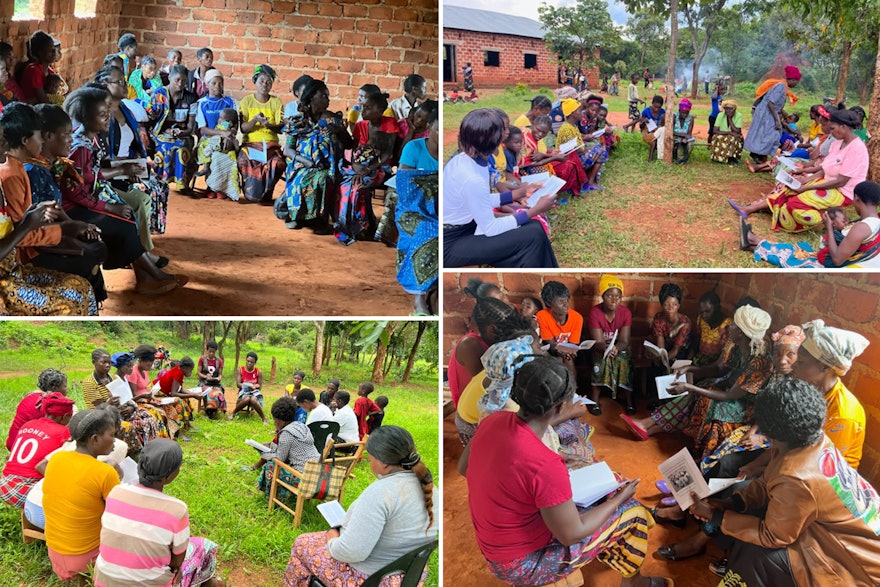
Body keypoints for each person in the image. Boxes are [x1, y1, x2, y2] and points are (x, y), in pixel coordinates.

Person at [459, 357, 670, 587]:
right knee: (633, 512)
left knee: (608, 488)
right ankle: (633, 582)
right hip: (523, 564)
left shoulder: (494, 420)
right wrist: (619, 500)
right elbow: (571, 534)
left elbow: (464, 468)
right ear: (560, 407)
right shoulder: (544, 464)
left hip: (494, 544)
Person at [688, 377, 880, 586]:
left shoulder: (797, 477)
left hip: (853, 564)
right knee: (742, 497)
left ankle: (738, 570)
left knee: (756, 556)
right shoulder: (812, 440)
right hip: (834, 535)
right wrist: (733, 503)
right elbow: (769, 478)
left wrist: (717, 517)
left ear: (771, 433)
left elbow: (772, 536)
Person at [61, 87, 183, 294]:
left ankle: (147, 276)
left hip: (88, 198)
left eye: (106, 112)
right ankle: (149, 276)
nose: (107, 117)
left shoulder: (92, 140)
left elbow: (93, 175)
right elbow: (75, 192)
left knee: (128, 218)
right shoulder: (80, 147)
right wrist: (108, 206)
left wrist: (122, 171)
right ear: (85, 118)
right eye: (101, 114)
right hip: (72, 207)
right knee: (124, 223)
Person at [283, 425, 438, 587]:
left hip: (371, 580)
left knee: (302, 543)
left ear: (383, 463)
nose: (370, 463)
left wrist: (332, 539)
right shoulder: (431, 489)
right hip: (410, 577)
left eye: (370, 459)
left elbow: (351, 552)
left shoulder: (380, 493)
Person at [0, 102, 109, 304]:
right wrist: (65, 230)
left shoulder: (22, 168)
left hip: (33, 244)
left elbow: (38, 215)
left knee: (93, 249)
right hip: (25, 256)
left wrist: (69, 226)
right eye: (39, 135)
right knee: (89, 257)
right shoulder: (12, 175)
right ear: (25, 140)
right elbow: (22, 235)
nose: (42, 140)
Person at [94, 439, 224, 587]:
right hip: (152, 583)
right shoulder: (177, 509)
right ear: (169, 477)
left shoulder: (116, 492)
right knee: (203, 546)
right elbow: (176, 561)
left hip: (104, 580)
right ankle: (211, 583)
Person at [443, 109, 558, 268]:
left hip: (465, 230)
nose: (507, 132)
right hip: (451, 244)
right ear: (494, 140)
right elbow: (490, 228)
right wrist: (535, 210)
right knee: (533, 234)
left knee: (534, 229)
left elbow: (479, 199)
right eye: (504, 129)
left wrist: (519, 193)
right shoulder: (472, 176)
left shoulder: (470, 159)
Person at [738, 107, 869, 233]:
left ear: (844, 127)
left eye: (833, 128)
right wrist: (806, 179)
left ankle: (821, 220)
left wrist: (806, 187)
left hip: (842, 192)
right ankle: (750, 208)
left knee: (795, 204)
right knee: (789, 187)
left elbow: (841, 181)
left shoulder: (856, 149)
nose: (831, 132)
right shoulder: (837, 143)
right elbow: (825, 168)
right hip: (827, 181)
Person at [94, 65, 168, 253]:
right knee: (144, 193)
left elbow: (135, 143)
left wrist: (138, 163)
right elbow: (101, 158)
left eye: (124, 81)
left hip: (125, 166)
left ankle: (144, 242)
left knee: (159, 186)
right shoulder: (102, 116)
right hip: (112, 170)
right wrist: (125, 168)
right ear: (105, 85)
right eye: (118, 82)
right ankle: (141, 250)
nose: (124, 85)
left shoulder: (125, 109)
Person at [42, 408, 120, 581]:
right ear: (95, 439)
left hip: (54, 551)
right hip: (84, 557)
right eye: (112, 434)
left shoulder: (56, 459)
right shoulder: (105, 472)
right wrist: (119, 475)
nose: (114, 440)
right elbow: (118, 517)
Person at [750, 180, 880, 267]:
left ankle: (755, 243)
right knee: (798, 250)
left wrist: (829, 227)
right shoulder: (874, 222)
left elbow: (837, 259)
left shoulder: (862, 227)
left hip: (839, 266)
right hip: (849, 261)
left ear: (856, 198)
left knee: (794, 256)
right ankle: (755, 242)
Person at [280, 79, 353, 230]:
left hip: (330, 167)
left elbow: (349, 144)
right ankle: (297, 217)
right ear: (312, 96)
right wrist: (305, 161)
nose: (328, 99)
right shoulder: (298, 122)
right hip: (302, 164)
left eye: (328, 96)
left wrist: (340, 131)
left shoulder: (333, 121)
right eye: (324, 96)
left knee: (323, 178)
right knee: (302, 178)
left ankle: (318, 220)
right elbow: (288, 150)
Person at [395, 100, 439, 315]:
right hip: (413, 210)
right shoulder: (413, 148)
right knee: (426, 232)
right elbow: (405, 188)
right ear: (430, 128)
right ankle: (419, 297)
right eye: (438, 129)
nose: (441, 135)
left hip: (443, 210)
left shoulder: (454, 157)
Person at [81, 348, 163, 455]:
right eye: (103, 362)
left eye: (109, 362)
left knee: (148, 417)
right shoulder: (89, 383)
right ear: (94, 362)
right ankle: (137, 453)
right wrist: (109, 403)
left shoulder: (112, 378)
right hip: (102, 417)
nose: (107, 365)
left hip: (119, 411)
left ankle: (151, 447)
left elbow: (125, 398)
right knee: (133, 426)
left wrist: (131, 407)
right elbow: (96, 409)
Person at [0, 392, 74, 508]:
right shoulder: (63, 432)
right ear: (64, 417)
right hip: (26, 490)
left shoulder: (28, 424)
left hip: (5, 484)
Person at [448, 296, 518, 407]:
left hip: (487, 401)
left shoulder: (487, 341)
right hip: (470, 411)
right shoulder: (470, 345)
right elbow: (487, 385)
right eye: (506, 331)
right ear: (492, 329)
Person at [238, 64, 286, 204]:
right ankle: (251, 192)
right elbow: (243, 129)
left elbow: (280, 127)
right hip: (251, 144)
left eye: (268, 82)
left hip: (271, 145)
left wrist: (269, 125)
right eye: (261, 81)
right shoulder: (247, 101)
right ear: (255, 82)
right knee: (243, 160)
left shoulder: (276, 102)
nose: (265, 85)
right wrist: (255, 120)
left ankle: (267, 192)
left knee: (277, 163)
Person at [255, 396, 320, 500]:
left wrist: (263, 452)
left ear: (280, 420)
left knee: (271, 466)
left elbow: (280, 459)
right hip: (318, 474)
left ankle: (272, 497)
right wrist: (271, 446)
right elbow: (292, 447)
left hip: (304, 477)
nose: (274, 423)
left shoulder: (286, 433)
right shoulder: (302, 426)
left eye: (275, 420)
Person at [587, 274, 634, 414]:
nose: (614, 300)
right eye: (609, 296)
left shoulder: (625, 313)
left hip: (618, 347)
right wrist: (607, 348)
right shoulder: (595, 312)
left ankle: (629, 400)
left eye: (618, 296)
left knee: (624, 359)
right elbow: (598, 341)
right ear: (602, 296)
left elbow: (625, 340)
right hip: (601, 347)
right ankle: (594, 400)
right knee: (601, 360)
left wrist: (616, 348)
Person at [148, 64, 199, 192]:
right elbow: (151, 120)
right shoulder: (159, 95)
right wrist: (164, 131)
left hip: (182, 135)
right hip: (159, 133)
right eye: (177, 80)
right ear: (170, 78)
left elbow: (190, 127)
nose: (180, 84)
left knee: (181, 147)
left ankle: (181, 182)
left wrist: (181, 132)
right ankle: (161, 180)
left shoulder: (191, 98)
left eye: (183, 81)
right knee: (164, 146)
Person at [195, 69, 240, 200]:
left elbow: (235, 124)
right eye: (213, 83)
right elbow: (203, 129)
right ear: (207, 85)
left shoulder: (229, 102)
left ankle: (223, 189)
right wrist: (221, 133)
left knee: (228, 155)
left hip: (227, 138)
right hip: (208, 141)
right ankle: (211, 187)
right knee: (215, 155)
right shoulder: (202, 103)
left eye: (220, 83)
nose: (217, 86)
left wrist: (230, 135)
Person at [743, 65, 801, 164]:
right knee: (770, 135)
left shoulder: (783, 86)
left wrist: (783, 113)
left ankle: (760, 154)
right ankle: (756, 154)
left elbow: (777, 104)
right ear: (793, 80)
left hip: (769, 113)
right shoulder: (781, 86)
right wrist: (777, 120)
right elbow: (771, 103)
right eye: (797, 82)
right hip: (766, 114)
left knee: (766, 134)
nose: (796, 84)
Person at [536, 280, 583, 400]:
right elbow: (550, 342)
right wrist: (560, 351)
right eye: (561, 301)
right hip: (551, 350)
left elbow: (573, 343)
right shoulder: (542, 316)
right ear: (549, 303)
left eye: (567, 300)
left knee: (568, 360)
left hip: (568, 351)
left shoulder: (577, 318)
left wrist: (568, 352)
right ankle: (556, 396)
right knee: (557, 360)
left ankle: (572, 394)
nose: (566, 304)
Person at [6, 369, 68, 451]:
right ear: (55, 388)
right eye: (65, 386)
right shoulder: (50, 405)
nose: (67, 389)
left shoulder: (31, 396)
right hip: (25, 447)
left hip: (13, 442)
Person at [557, 98, 606, 190]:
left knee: (599, 148)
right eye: (579, 110)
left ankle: (589, 180)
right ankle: (589, 181)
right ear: (573, 113)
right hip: (569, 159)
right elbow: (572, 150)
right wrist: (586, 148)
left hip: (574, 155)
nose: (581, 112)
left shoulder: (572, 126)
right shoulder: (567, 129)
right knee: (600, 151)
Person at [155, 356, 202, 438]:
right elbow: (174, 393)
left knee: (186, 399)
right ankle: (178, 432)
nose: (191, 372)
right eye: (191, 370)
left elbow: (180, 388)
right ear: (186, 368)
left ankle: (188, 424)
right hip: (158, 393)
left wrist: (192, 394)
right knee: (178, 402)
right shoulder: (178, 373)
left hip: (166, 392)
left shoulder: (179, 370)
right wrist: (193, 395)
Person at [692, 289, 732, 366]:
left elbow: (725, 355)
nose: (704, 315)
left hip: (716, 363)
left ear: (716, 309)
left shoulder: (726, 324)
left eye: (707, 311)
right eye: (701, 311)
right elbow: (696, 340)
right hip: (700, 358)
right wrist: (688, 360)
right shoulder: (701, 320)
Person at [229, 351, 268, 423]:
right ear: (246, 360)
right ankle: (233, 413)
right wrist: (245, 385)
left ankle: (263, 418)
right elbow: (238, 384)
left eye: (252, 362)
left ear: (255, 362)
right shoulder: (240, 369)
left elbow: (259, 386)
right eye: (248, 361)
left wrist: (254, 386)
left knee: (252, 399)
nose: (249, 363)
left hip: (254, 392)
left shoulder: (258, 371)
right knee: (247, 398)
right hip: (244, 392)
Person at [17, 31, 55, 105]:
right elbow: (42, 99)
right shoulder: (34, 70)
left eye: (54, 48)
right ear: (40, 52)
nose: (54, 52)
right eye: (50, 49)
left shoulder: (50, 71)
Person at [197, 340, 227, 419]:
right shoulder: (202, 359)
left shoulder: (219, 361)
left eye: (213, 352)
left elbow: (220, 374)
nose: (211, 354)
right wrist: (206, 376)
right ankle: (209, 408)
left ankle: (214, 408)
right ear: (206, 350)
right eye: (210, 351)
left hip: (215, 383)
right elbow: (199, 373)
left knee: (218, 392)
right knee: (208, 391)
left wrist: (218, 378)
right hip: (204, 382)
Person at [709, 99, 743, 164]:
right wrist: (729, 132)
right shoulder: (720, 115)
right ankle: (718, 157)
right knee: (716, 137)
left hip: (733, 135)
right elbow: (715, 130)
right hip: (723, 134)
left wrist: (730, 119)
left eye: (730, 109)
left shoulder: (739, 115)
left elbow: (737, 131)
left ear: (734, 109)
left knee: (733, 138)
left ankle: (731, 157)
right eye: (726, 108)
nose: (728, 111)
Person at [671, 99, 695, 164]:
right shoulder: (674, 116)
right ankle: (675, 156)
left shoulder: (691, 118)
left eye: (687, 113)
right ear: (679, 110)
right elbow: (671, 132)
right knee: (672, 139)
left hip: (683, 140)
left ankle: (683, 158)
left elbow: (689, 133)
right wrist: (683, 136)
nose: (685, 115)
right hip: (675, 138)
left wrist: (685, 138)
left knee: (691, 140)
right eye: (683, 112)